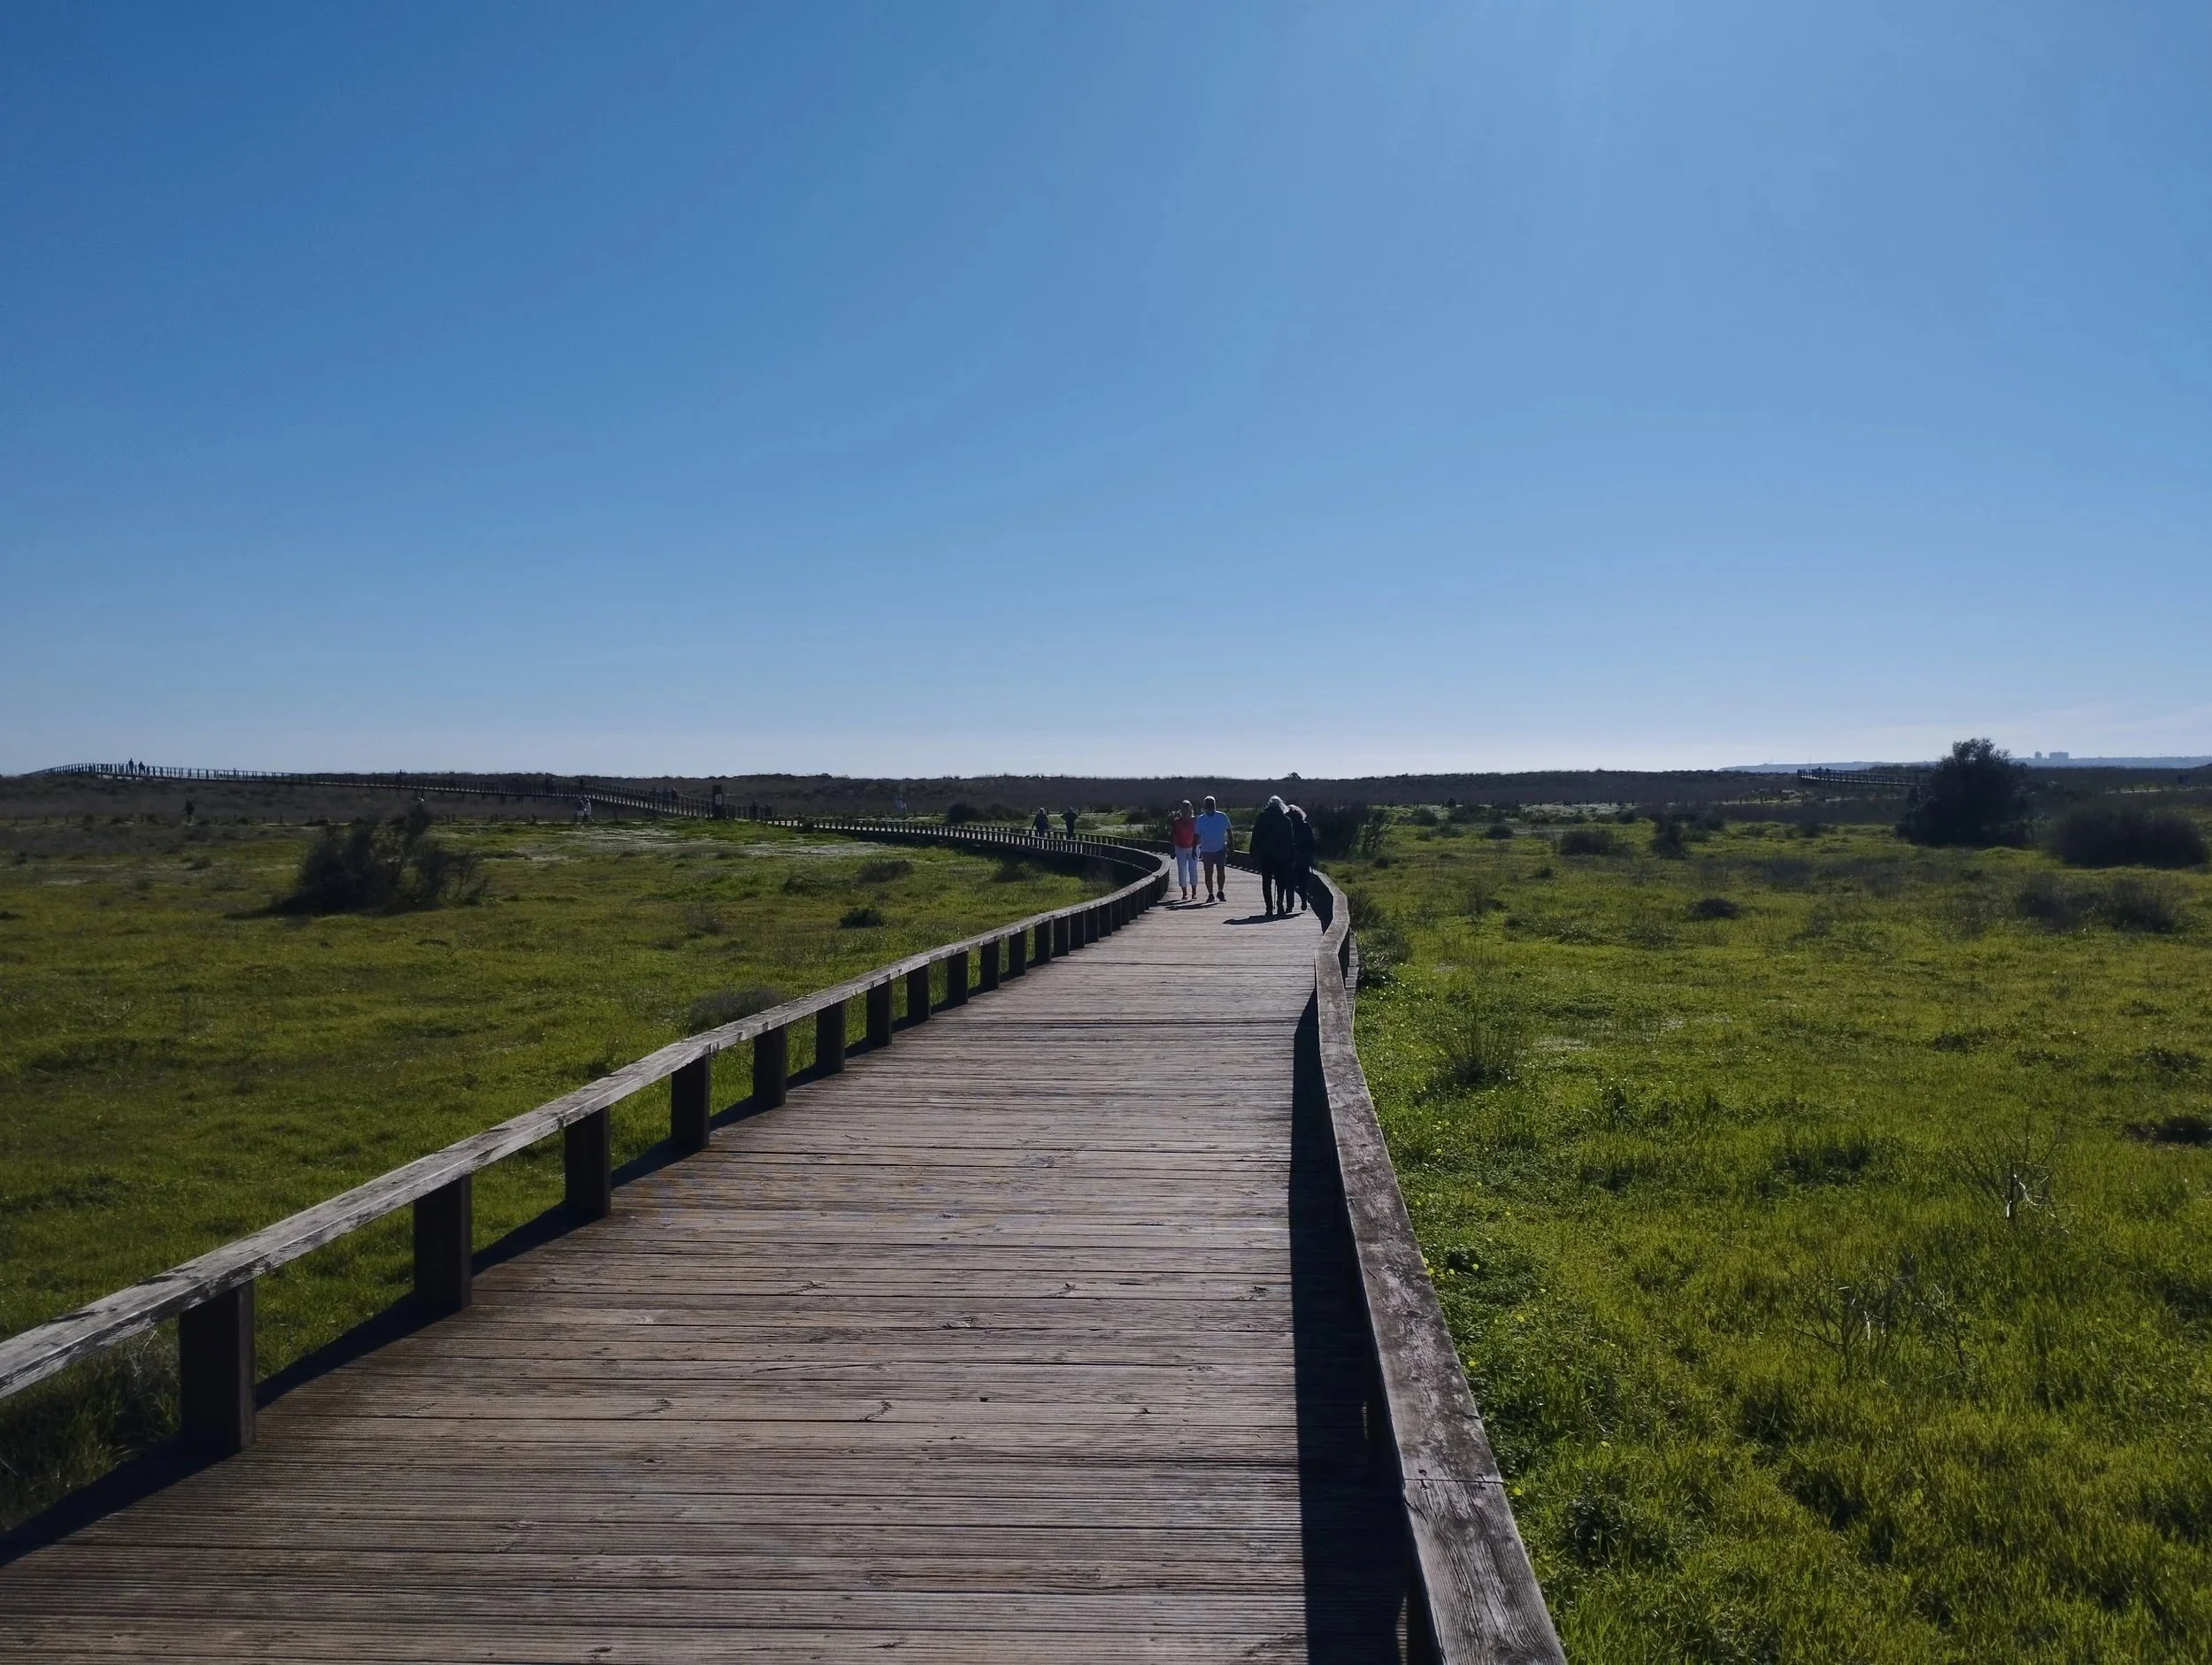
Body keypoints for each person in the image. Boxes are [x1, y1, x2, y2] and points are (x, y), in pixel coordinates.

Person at [1249, 795, 1294, 917]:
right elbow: (1290, 840)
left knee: (1266, 881)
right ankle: (1280, 903)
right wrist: (1291, 855)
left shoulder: (1262, 817)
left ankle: (1269, 908)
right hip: (1282, 856)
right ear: (1280, 806)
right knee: (1281, 881)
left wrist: (1253, 852)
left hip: (1266, 855)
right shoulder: (1286, 820)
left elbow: (1256, 836)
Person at [1194, 795, 1233, 903]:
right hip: (1206, 849)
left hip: (1220, 848)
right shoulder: (1201, 819)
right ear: (1205, 806)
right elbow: (1196, 835)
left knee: (1221, 870)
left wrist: (1231, 845)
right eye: (1209, 804)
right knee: (1208, 873)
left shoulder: (1222, 816)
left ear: (1215, 805)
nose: (1211, 806)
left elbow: (1229, 831)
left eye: (1212, 804)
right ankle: (1210, 894)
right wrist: (1193, 849)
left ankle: (1220, 891)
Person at [1286, 803, 1315, 914]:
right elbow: (1312, 843)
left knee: (1289, 882)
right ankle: (1303, 898)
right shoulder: (1306, 826)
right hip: (1304, 858)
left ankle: (1289, 905)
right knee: (1303, 881)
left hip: (1290, 858)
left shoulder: (1287, 826)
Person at [1170, 800, 1199, 901]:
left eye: (1187, 808)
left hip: (1193, 848)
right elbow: (1173, 836)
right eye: (1183, 808)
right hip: (1180, 848)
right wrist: (1172, 850)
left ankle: (1194, 892)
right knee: (1182, 870)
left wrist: (1196, 848)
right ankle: (1184, 893)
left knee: (1193, 869)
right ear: (1181, 810)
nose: (1185, 810)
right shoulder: (1176, 822)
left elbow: (1198, 836)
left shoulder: (1195, 821)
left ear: (1191, 809)